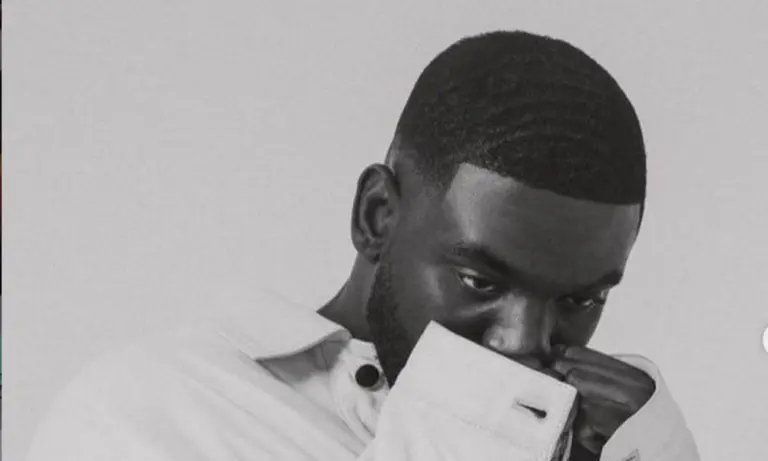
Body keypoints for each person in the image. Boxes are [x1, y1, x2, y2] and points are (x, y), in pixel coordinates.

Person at [27, 31, 699, 461]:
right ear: (377, 216)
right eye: (481, 282)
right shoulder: (153, 410)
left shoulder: (610, 442)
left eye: (580, 300)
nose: (525, 343)